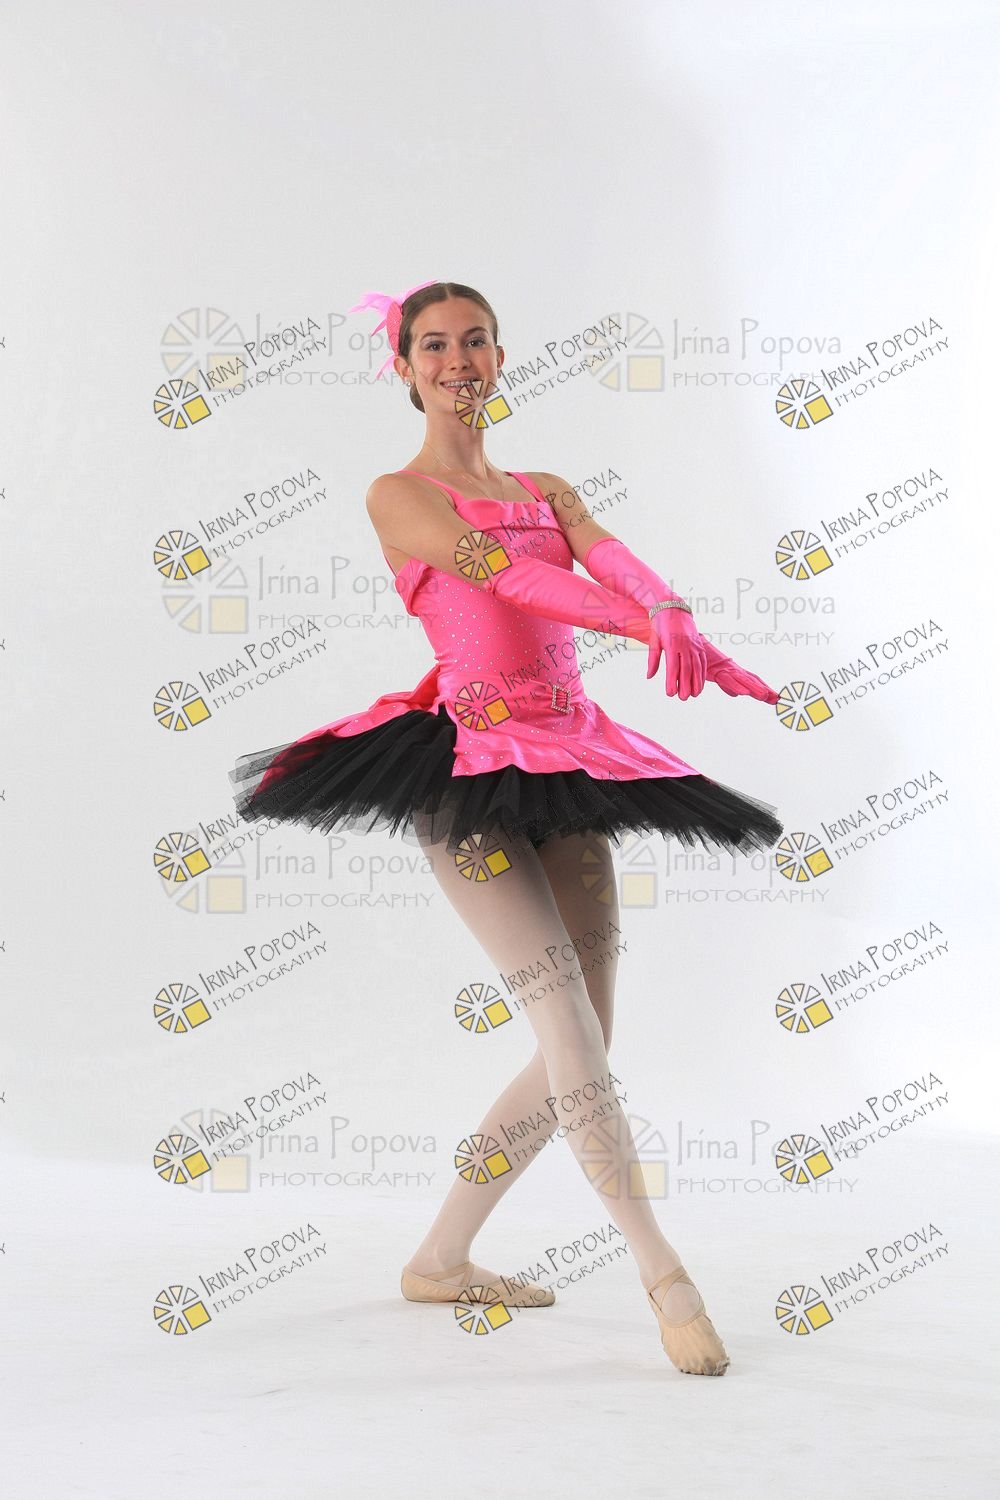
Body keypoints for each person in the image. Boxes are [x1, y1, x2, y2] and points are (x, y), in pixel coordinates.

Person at [229, 279, 785, 1376]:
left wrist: (682, 622)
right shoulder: (398, 494)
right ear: (402, 367)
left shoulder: (547, 487)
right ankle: (663, 1274)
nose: (458, 359)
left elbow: (610, 559)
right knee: (568, 1030)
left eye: (475, 340)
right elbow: (514, 581)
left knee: (586, 1038)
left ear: (499, 355)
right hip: (469, 771)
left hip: (568, 762)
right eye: (435, 344)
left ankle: (440, 1258)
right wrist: (646, 624)